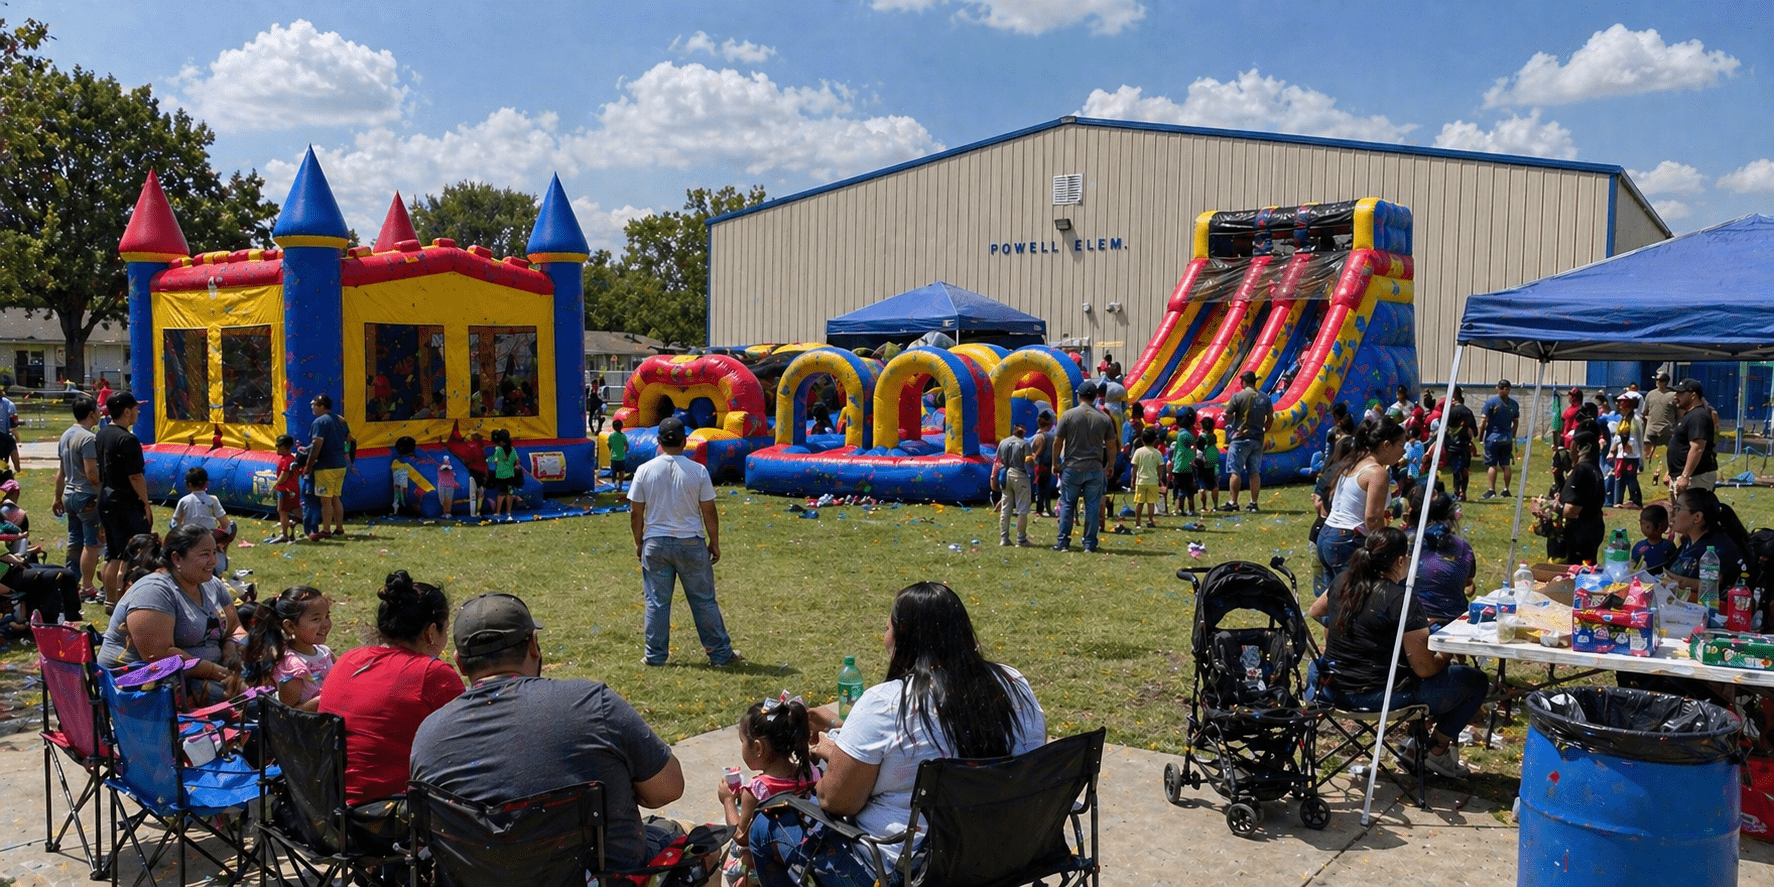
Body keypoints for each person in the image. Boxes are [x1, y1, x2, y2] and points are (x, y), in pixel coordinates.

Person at [751, 582, 1046, 887]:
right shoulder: (1014, 684)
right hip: (1004, 856)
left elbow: (835, 801)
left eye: (887, 626)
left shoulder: (885, 704)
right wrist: (839, 734)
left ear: (902, 639)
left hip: (908, 873)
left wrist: (831, 752)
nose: (884, 635)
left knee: (766, 826)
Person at [409, 592, 693, 871]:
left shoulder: (428, 737)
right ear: (534, 644)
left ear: (459, 662)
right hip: (605, 879)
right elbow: (667, 790)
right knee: (698, 845)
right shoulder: (594, 704)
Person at [1308, 528, 1486, 778]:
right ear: (1401, 561)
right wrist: (1446, 653)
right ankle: (1437, 750)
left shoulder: (1342, 582)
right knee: (1475, 681)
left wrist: (1347, 627)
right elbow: (1424, 668)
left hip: (1333, 689)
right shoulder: (1401, 600)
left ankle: (1419, 745)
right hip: (1378, 696)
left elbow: (1315, 611)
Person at [319, 571, 463, 807]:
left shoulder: (348, 659)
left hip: (329, 808)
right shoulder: (432, 674)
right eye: (445, 630)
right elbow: (468, 745)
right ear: (431, 632)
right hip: (387, 815)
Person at [629, 417, 740, 666]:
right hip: (690, 541)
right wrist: (714, 541)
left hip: (655, 543)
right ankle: (720, 655)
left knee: (657, 602)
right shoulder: (697, 470)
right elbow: (708, 510)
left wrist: (639, 542)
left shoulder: (644, 470)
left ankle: (655, 656)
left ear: (658, 441)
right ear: (684, 441)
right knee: (703, 601)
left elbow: (636, 512)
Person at [96, 525, 243, 705]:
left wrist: (231, 648)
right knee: (252, 704)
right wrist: (219, 672)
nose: (213, 561)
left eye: (215, 553)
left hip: (203, 676)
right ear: (176, 558)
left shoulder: (213, 585)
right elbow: (160, 656)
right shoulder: (154, 591)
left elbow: (235, 627)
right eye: (205, 555)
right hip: (143, 687)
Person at [716, 694, 822, 887]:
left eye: (742, 742)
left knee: (730, 857)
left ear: (757, 747)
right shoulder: (811, 773)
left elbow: (741, 836)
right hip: (808, 855)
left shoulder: (757, 790)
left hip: (770, 868)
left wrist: (728, 801)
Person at [1316, 418, 1407, 595]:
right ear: (1386, 444)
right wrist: (1387, 548)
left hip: (1327, 535)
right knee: (1353, 600)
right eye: (1401, 445)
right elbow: (1372, 518)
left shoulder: (1354, 462)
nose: (1402, 452)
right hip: (1347, 540)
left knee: (1335, 601)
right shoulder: (1377, 472)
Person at [96, 393, 151, 606]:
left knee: (113, 553)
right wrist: (145, 502)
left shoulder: (102, 433)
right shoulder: (127, 439)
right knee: (132, 554)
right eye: (135, 408)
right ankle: (126, 600)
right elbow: (135, 476)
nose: (138, 412)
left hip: (106, 499)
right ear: (126, 411)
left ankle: (110, 600)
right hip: (125, 502)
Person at [241, 586, 334, 711]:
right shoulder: (294, 667)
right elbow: (287, 714)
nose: (326, 624)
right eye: (316, 619)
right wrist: (322, 701)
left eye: (327, 616)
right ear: (290, 626)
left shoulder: (324, 651)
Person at [1052, 380, 1117, 553]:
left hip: (1072, 466)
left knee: (1067, 504)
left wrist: (1054, 463)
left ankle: (1063, 542)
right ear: (1095, 397)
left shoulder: (1068, 415)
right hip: (1094, 468)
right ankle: (1089, 544)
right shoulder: (1104, 418)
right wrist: (1110, 465)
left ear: (1079, 396)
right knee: (1093, 506)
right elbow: (1111, 446)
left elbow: (1058, 441)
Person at [51, 394, 101, 601]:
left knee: (75, 541)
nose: (100, 413)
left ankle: (70, 583)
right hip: (87, 496)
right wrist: (102, 493)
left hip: (70, 495)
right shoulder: (88, 438)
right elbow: (91, 473)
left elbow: (61, 473)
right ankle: (87, 586)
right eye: (98, 410)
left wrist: (57, 498)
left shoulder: (66, 435)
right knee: (92, 544)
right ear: (91, 414)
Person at [1405, 490, 1476, 627]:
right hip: (1454, 622)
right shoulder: (1462, 546)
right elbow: (1467, 581)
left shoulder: (1405, 541)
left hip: (1410, 622)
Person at [1665, 488, 1752, 598]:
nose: (1673, 514)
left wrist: (1669, 580)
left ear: (1697, 517)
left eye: (1678, 508)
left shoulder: (1718, 550)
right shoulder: (1688, 542)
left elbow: (1710, 587)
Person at [1222, 370, 1273, 513]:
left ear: (1243, 381)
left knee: (1235, 471)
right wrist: (1263, 431)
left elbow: (1228, 414)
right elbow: (1270, 419)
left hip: (1240, 439)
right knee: (1254, 472)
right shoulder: (1264, 398)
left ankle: (1233, 502)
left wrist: (1230, 424)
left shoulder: (1238, 396)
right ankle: (1253, 503)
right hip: (1257, 439)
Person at [1554, 430, 1606, 565]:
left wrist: (1552, 507)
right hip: (1594, 529)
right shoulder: (1595, 468)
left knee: (1573, 575)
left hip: (1579, 535)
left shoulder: (1581, 470)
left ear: (1578, 448)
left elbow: (1571, 510)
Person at [306, 394, 355, 539]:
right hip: (340, 465)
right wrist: (350, 460)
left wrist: (308, 465)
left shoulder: (319, 422)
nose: (312, 408)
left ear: (322, 406)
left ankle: (326, 530)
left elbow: (317, 446)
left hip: (325, 467)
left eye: (314, 405)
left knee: (325, 500)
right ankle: (339, 528)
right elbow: (350, 440)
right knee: (336, 498)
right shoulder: (341, 420)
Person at [172, 466, 237, 571]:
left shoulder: (184, 501)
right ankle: (221, 556)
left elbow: (175, 524)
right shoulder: (212, 500)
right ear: (207, 483)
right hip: (209, 538)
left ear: (188, 484)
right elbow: (226, 525)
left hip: (190, 538)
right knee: (232, 526)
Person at [1669, 378, 1718, 497]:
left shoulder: (1698, 416)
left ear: (1693, 395)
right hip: (1682, 475)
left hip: (1695, 477)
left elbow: (1697, 448)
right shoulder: (1689, 415)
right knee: (1680, 513)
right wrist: (1671, 472)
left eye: (1680, 393)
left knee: (1693, 512)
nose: (1676, 395)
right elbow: (1681, 444)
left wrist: (1685, 476)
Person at [993, 422, 1034, 547]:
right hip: (1019, 474)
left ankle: (1004, 537)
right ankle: (1021, 539)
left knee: (1006, 507)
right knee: (1022, 508)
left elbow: (997, 460)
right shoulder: (1025, 444)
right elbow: (1028, 462)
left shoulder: (1003, 442)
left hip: (1005, 474)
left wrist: (994, 476)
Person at [1479, 379, 1519, 499]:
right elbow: (1516, 422)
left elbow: (1483, 421)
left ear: (1498, 389)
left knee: (1492, 465)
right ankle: (1506, 490)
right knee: (1505, 464)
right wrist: (1512, 435)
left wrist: (1480, 436)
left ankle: (1491, 490)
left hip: (1493, 437)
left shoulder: (1490, 402)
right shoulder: (1514, 404)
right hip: (1506, 437)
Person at [1643, 372, 1679, 485]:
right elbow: (1645, 412)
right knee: (1648, 454)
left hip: (1667, 430)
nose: (1658, 382)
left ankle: (1665, 473)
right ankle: (1649, 475)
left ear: (1665, 382)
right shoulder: (1650, 394)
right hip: (1651, 429)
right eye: (1657, 380)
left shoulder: (1673, 395)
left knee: (1667, 454)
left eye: (1660, 380)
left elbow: (1679, 413)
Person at [1610, 392, 1645, 507]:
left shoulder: (1636, 420)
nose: (1621, 408)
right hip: (1621, 454)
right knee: (1619, 477)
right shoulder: (1621, 421)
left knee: (1631, 478)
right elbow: (1617, 436)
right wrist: (1613, 449)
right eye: (1620, 406)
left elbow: (1639, 438)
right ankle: (1617, 501)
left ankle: (1636, 500)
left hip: (1632, 455)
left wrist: (1640, 457)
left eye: (1624, 406)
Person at [269, 434, 301, 543]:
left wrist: (275, 485)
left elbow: (284, 475)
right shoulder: (292, 458)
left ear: (284, 447)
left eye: (278, 446)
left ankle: (285, 535)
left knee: (282, 511)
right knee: (296, 510)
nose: (276, 448)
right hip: (293, 490)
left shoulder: (286, 460)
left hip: (285, 490)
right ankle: (300, 527)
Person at [1131, 426, 1165, 529]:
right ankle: (1150, 520)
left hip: (1141, 481)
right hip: (1153, 481)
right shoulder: (1157, 453)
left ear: (1142, 440)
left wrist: (1133, 479)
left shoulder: (1138, 452)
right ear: (1155, 440)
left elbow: (1134, 467)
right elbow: (1160, 467)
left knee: (1139, 502)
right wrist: (1160, 479)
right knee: (1151, 503)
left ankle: (1138, 521)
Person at [486, 428, 521, 520]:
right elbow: (516, 461)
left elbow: (496, 461)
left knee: (503, 493)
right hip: (508, 474)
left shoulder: (500, 450)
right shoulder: (511, 450)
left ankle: (498, 512)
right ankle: (507, 512)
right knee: (508, 493)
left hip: (502, 474)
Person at [1633, 503, 1677, 575]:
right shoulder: (1638, 547)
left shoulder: (1668, 547)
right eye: (1641, 524)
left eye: (1647, 526)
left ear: (1660, 526)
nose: (1643, 528)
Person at [1171, 410, 1199, 516]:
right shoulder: (1187, 434)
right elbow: (1193, 446)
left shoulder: (1180, 433)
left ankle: (1180, 509)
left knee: (1180, 489)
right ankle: (1191, 509)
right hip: (1186, 466)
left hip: (1178, 466)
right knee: (1190, 490)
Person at [1030, 412, 1056, 518]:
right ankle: (1048, 509)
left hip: (1040, 465)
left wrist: (1032, 455)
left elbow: (1038, 451)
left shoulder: (1040, 436)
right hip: (1049, 464)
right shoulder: (1052, 436)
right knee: (1046, 488)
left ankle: (1039, 510)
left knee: (1039, 489)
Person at [1196, 416, 1221, 512]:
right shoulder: (1213, 436)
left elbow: (1199, 450)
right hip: (1213, 462)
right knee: (1214, 485)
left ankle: (1204, 506)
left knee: (1203, 486)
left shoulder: (1202, 437)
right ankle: (1215, 505)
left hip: (1204, 463)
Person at [608, 418, 630, 489]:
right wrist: (626, 450)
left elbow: (609, 445)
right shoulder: (623, 436)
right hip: (621, 457)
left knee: (614, 472)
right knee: (621, 472)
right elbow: (626, 445)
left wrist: (610, 450)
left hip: (614, 457)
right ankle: (620, 486)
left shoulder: (611, 436)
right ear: (621, 427)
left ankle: (613, 484)